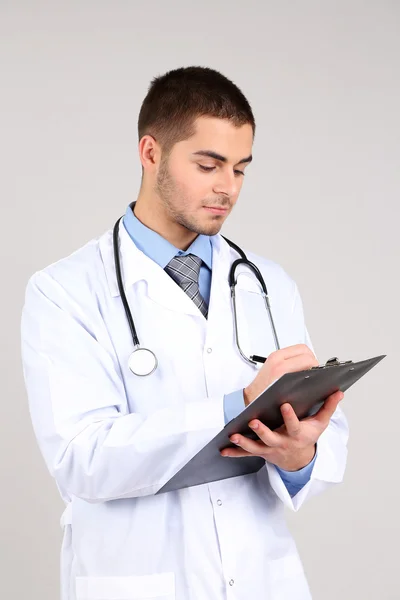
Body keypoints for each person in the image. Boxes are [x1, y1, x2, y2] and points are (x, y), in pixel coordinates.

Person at [21, 66, 348, 600]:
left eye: (241, 168)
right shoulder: (65, 290)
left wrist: (300, 456)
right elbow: (80, 458)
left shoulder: (267, 283)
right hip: (139, 579)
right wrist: (236, 406)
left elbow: (325, 441)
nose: (228, 187)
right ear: (150, 154)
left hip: (263, 580)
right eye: (208, 164)